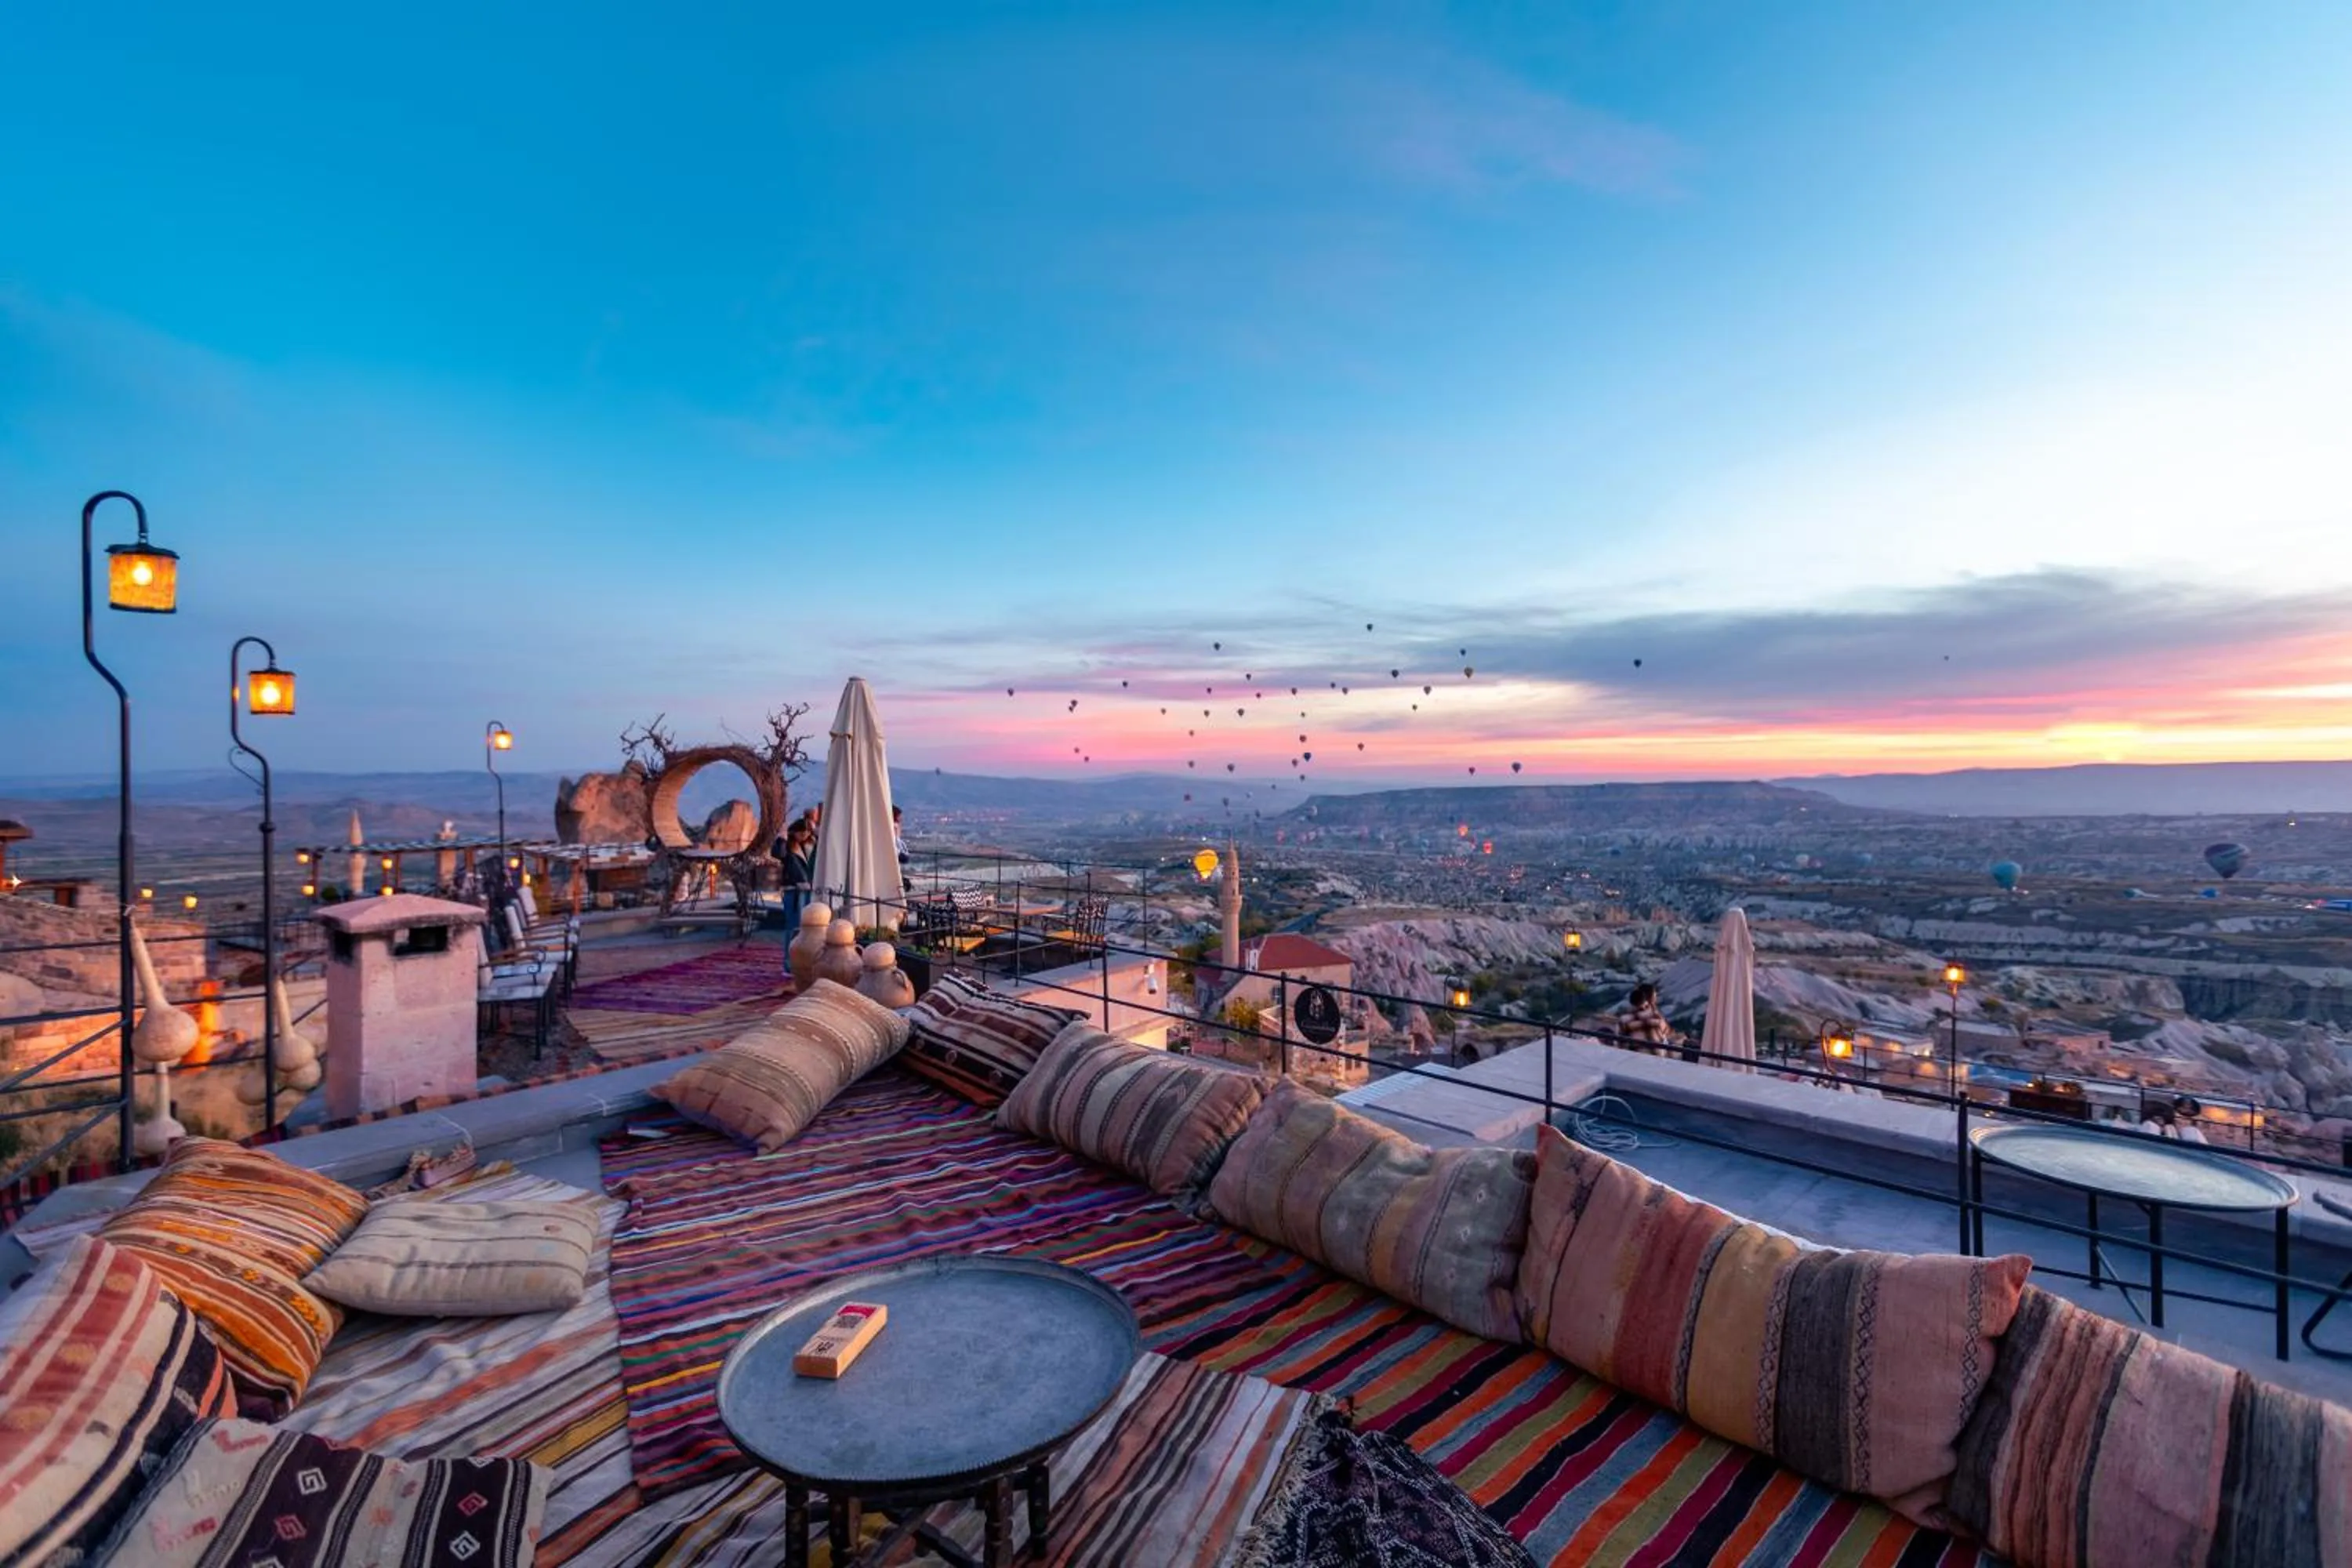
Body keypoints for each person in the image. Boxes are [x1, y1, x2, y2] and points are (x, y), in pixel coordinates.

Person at [776, 818, 815, 938]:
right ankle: (789, 955)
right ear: (794, 832)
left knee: (804, 924)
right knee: (793, 924)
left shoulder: (809, 846)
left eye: (807, 833)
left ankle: (800, 952)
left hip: (807, 888)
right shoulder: (787, 845)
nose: (804, 836)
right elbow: (779, 854)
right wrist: (782, 839)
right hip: (792, 888)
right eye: (802, 833)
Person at [1617, 983, 1679, 1055]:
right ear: (1649, 999)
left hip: (1635, 1060)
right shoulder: (1656, 1016)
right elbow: (1669, 1034)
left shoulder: (1624, 1020)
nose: (1656, 999)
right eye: (1654, 997)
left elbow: (1620, 1043)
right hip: (1657, 1060)